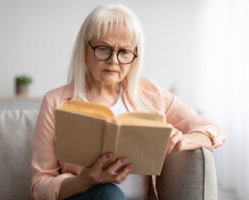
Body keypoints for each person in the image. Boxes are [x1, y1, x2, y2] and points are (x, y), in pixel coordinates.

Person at [31, 4, 226, 200]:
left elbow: (213, 131)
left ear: (134, 56)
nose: (113, 60)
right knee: (109, 193)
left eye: (124, 52)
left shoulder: (150, 94)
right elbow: (40, 184)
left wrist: (185, 141)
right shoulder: (55, 101)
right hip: (86, 196)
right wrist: (84, 181)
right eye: (103, 48)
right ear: (85, 50)